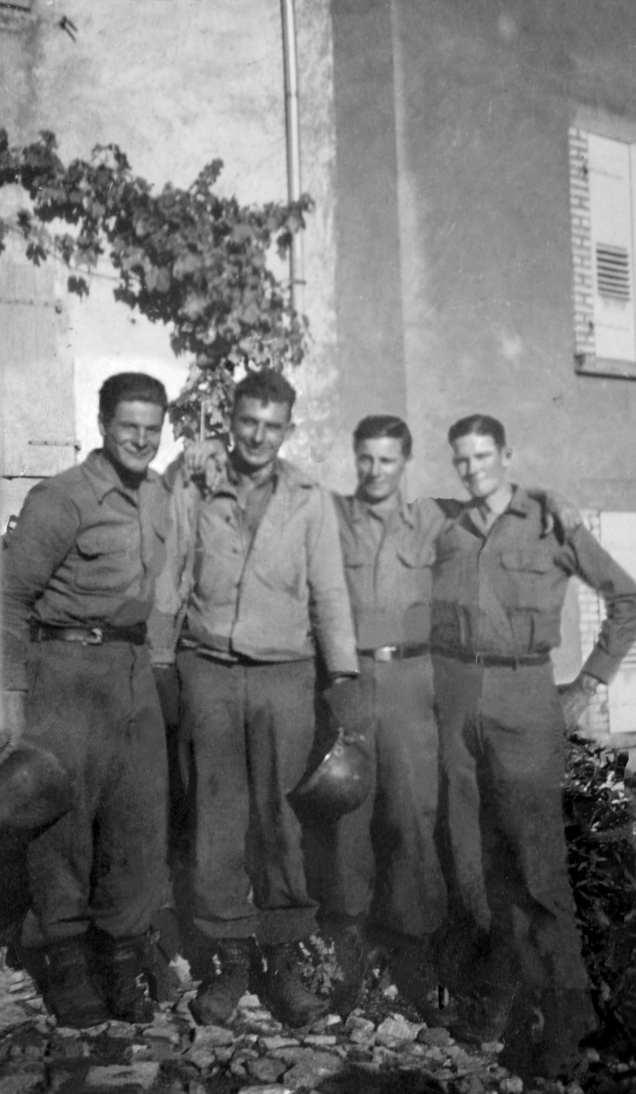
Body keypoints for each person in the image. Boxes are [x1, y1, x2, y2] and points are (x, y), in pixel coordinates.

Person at [430, 414, 636, 1079]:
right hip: (462, 694)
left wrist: (587, 685)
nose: (472, 470)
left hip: (526, 698)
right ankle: (498, 996)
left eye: (483, 457)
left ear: (507, 456)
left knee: (538, 870)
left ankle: (568, 1021)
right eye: (462, 460)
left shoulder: (551, 522)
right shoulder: (449, 529)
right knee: (479, 860)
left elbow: (629, 602)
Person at [150, 369, 360, 1029]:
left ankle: (283, 966)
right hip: (208, 669)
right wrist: (161, 661)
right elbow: (171, 573)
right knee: (216, 821)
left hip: (283, 676)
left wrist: (345, 678)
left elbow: (328, 593)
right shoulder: (196, 484)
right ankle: (230, 963)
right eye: (248, 422)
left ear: (287, 429)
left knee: (280, 823)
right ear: (231, 420)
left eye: (273, 426)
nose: (259, 436)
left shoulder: (308, 498)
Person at [2, 372, 171, 1028]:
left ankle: (123, 949)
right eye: (128, 425)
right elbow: (9, 597)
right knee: (64, 821)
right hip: (65, 668)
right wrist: (11, 692)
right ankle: (67, 955)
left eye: (152, 428)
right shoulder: (61, 498)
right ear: (102, 424)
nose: (140, 439)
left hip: (130, 668)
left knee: (136, 818)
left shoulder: (159, 494)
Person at [308, 415, 452, 1026]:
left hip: (414, 681)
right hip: (353, 677)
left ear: (406, 461)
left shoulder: (435, 522)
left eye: (387, 460)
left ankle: (414, 953)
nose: (374, 471)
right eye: (365, 459)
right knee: (349, 815)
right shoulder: (332, 519)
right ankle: (348, 955)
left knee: (414, 815)